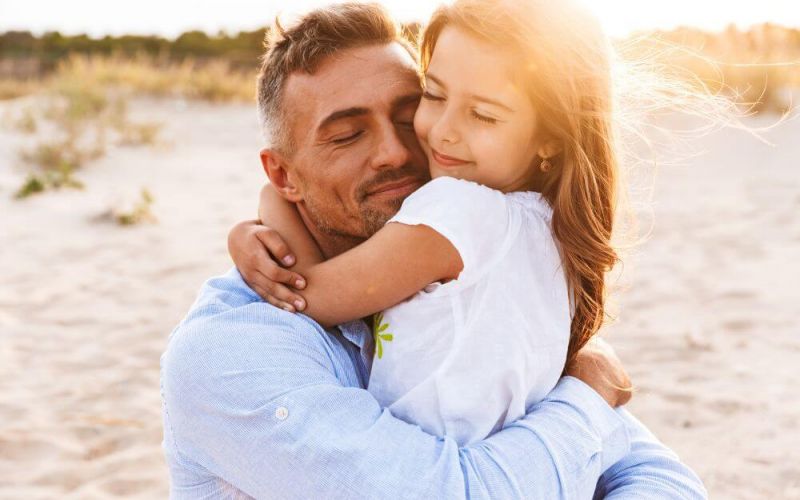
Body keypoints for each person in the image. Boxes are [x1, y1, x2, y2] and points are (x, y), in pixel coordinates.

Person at [160, 3, 707, 498]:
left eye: (407, 113)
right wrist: (588, 396)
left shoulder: (474, 279)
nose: (399, 151)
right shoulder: (228, 353)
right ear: (283, 175)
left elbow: (661, 479)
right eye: (348, 136)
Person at [230, 0, 621, 447]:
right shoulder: (548, 226)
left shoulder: (456, 211)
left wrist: (270, 204)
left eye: (484, 115)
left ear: (551, 137)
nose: (443, 131)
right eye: (434, 96)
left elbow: (304, 293)